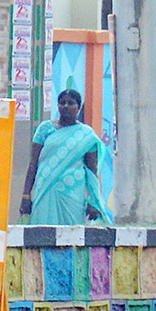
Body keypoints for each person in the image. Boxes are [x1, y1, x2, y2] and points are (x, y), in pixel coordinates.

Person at [19, 89, 112, 224]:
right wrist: (25, 196)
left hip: (72, 193)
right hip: (45, 190)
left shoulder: (86, 135)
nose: (66, 106)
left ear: (78, 108)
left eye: (71, 103)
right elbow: (33, 164)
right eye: (62, 103)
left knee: (73, 236)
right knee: (42, 233)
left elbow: (92, 172)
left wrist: (93, 201)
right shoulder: (45, 129)